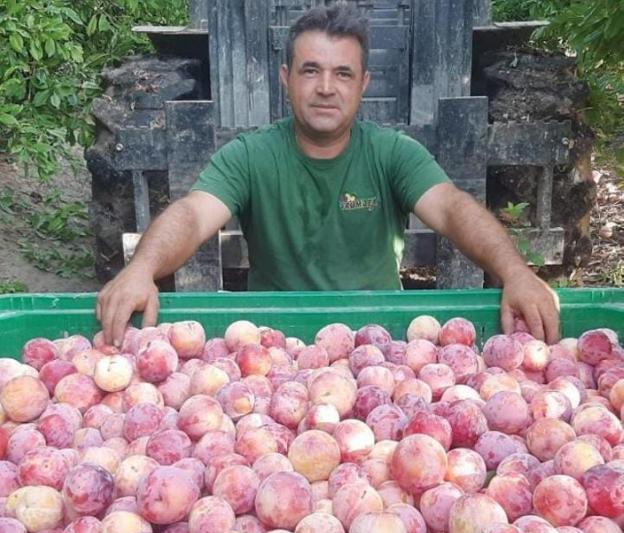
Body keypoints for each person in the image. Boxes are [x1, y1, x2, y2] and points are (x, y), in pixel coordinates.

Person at [97, 4, 560, 347]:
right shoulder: (250, 155)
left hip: (377, 343)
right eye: (310, 71)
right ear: (285, 78)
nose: (325, 88)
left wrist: (515, 273)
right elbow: (193, 215)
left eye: (342, 74)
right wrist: (141, 270)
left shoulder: (391, 153)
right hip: (275, 344)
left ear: (363, 85)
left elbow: (454, 208)